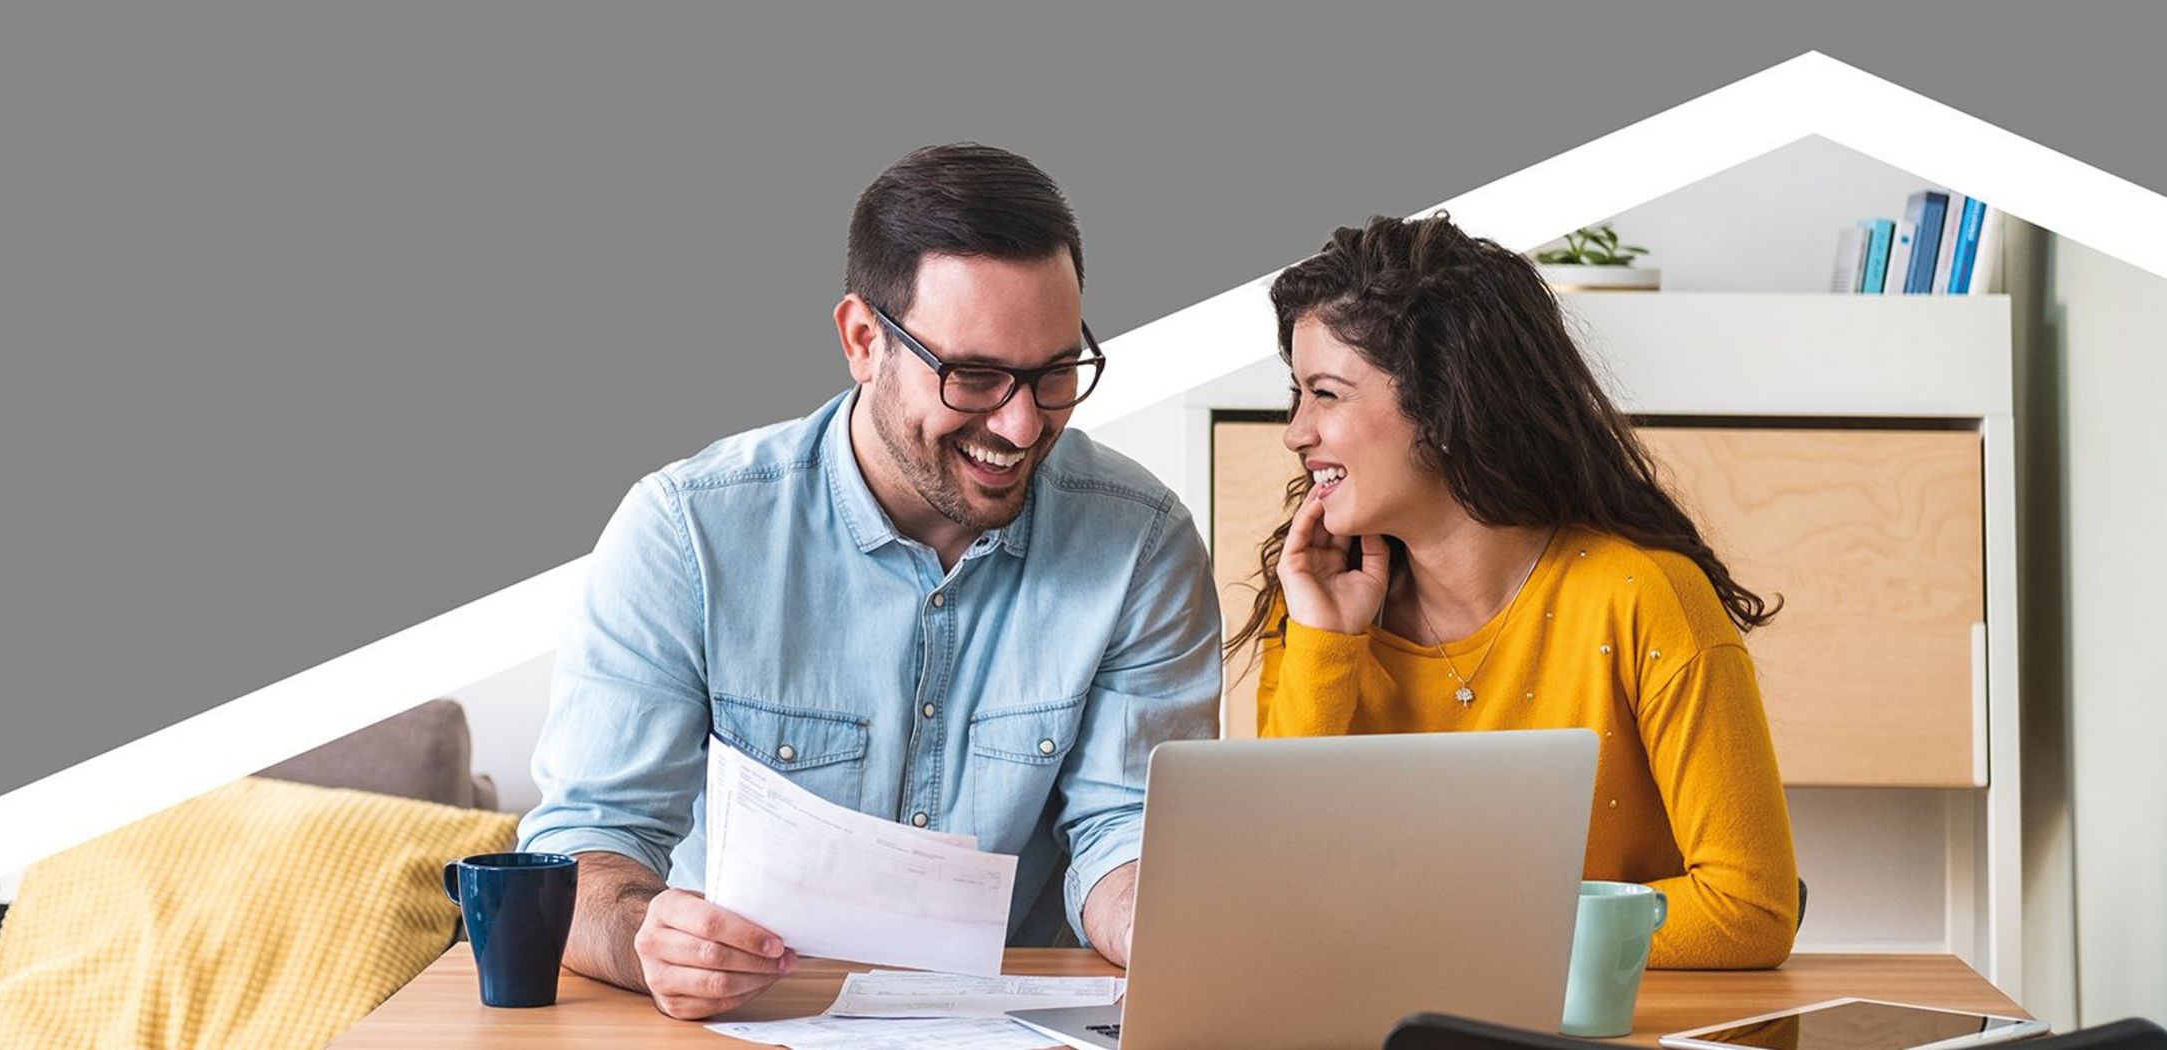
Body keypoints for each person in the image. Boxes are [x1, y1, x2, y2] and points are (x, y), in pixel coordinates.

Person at [518, 143, 1221, 1019]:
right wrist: (648, 939)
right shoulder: (687, 533)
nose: (1021, 424)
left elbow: (1123, 830)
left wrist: (1166, 924)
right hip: (746, 1022)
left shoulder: (1141, 541)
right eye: (974, 376)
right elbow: (585, 848)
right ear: (862, 340)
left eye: (1053, 374)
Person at [1230, 213, 1800, 969]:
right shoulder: (1312, 607)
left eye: (1326, 394)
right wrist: (1326, 647)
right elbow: (1277, 894)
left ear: (1443, 404)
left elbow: (1749, 909)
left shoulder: (1643, 596)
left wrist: (1470, 932)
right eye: (1297, 395)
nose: (1295, 432)